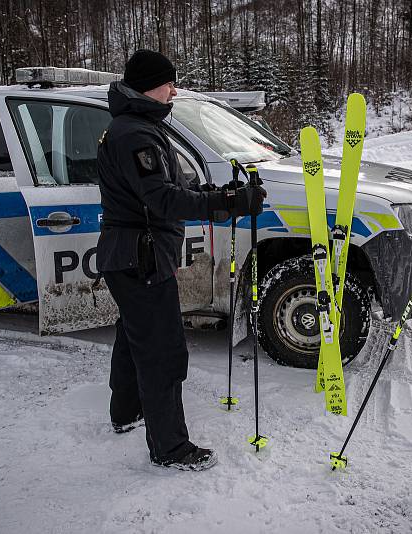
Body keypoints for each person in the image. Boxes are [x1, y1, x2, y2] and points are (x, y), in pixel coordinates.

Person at [96, 49, 265, 471]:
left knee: (134, 333)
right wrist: (228, 203)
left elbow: (170, 185)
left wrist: (214, 194)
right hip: (142, 257)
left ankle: (127, 412)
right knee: (162, 351)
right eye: (169, 82)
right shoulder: (135, 134)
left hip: (134, 256)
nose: (174, 89)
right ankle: (169, 448)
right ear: (150, 85)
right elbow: (162, 199)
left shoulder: (137, 125)